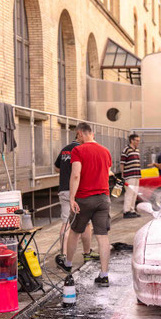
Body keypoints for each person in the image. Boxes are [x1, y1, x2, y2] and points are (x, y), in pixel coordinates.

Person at [56, 122, 113, 287]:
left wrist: (72, 198)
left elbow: (75, 175)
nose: (77, 138)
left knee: (75, 232)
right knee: (102, 237)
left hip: (84, 199)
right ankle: (104, 275)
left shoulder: (78, 150)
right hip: (103, 198)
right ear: (92, 133)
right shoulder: (106, 151)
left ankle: (68, 264)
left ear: (80, 133)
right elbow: (106, 172)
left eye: (77, 135)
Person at [54, 134, 97, 263]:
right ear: (80, 135)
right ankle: (87, 253)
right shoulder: (83, 150)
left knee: (66, 223)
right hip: (79, 190)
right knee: (86, 223)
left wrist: (67, 170)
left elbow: (56, 168)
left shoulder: (65, 149)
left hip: (64, 190)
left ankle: (63, 255)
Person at [120, 134, 142, 219]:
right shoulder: (126, 150)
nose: (138, 142)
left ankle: (132, 210)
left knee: (134, 193)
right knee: (129, 193)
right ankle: (126, 211)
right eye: (136, 140)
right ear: (131, 140)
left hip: (136, 175)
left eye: (139, 140)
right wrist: (123, 174)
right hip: (129, 175)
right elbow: (122, 163)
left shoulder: (137, 150)